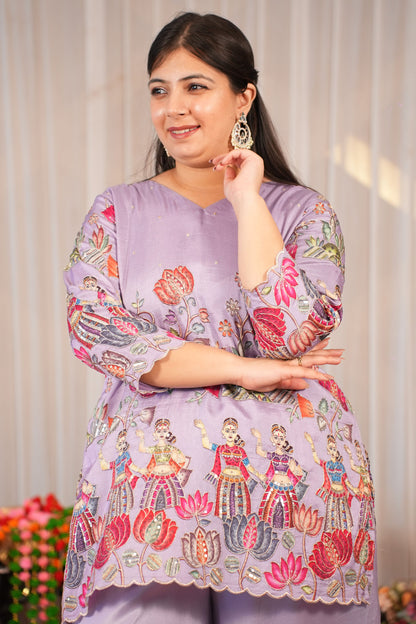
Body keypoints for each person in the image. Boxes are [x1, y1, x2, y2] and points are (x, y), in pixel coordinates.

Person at [62, 11, 379, 624]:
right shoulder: (115, 212)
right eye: (160, 89)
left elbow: (289, 334)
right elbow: (99, 332)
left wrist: (247, 200)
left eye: (196, 86)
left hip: (288, 492)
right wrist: (244, 368)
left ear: (243, 98)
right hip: (145, 492)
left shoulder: (303, 212)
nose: (173, 108)